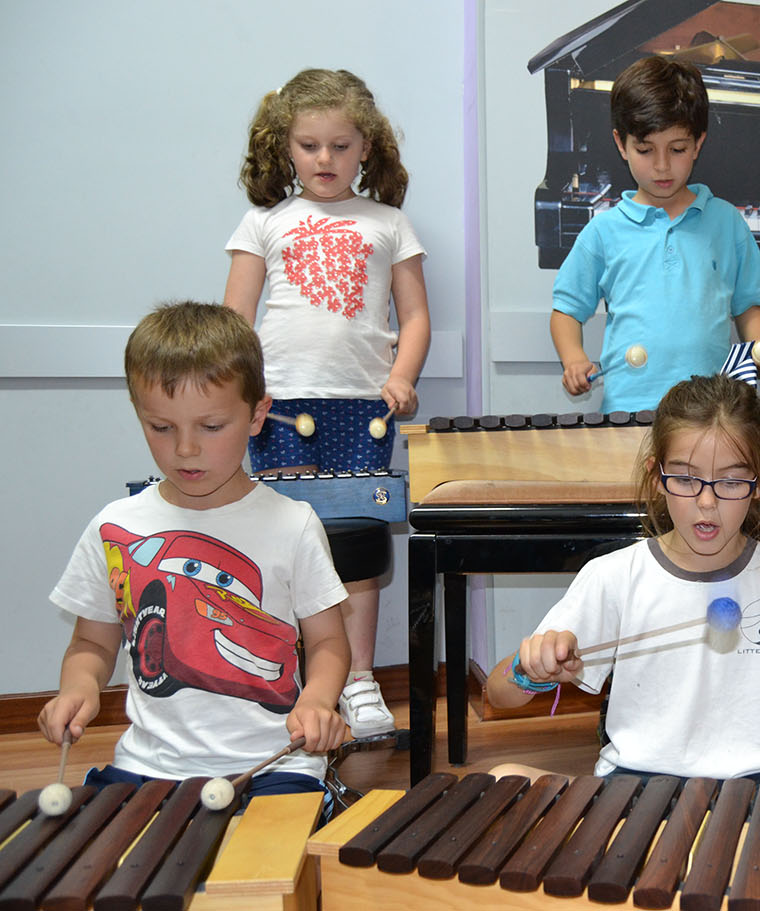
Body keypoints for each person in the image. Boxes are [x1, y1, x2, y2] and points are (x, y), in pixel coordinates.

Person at [485, 374, 760, 781]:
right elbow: (498, 693)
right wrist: (531, 671)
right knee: (504, 775)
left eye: (731, 482)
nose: (706, 502)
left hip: (756, 784)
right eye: (685, 479)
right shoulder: (614, 577)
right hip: (635, 781)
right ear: (656, 477)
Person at [39, 302, 350, 806]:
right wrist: (79, 688)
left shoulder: (293, 525)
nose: (185, 449)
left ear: (256, 415)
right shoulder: (116, 527)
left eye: (210, 427)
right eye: (161, 428)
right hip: (146, 767)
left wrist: (317, 700)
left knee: (263, 877)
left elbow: (328, 642)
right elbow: (92, 646)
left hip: (273, 766)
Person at [224, 68, 430, 737]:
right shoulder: (263, 223)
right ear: (286, 146)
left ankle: (361, 677)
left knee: (358, 549)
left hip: (361, 408)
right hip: (280, 407)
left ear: (366, 147)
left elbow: (416, 316)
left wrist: (401, 374)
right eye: (310, 145)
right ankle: (299, 679)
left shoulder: (389, 222)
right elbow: (235, 321)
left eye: (340, 146)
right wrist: (244, 393)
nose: (325, 159)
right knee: (287, 545)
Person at [550, 55, 760, 413]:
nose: (662, 166)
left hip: (713, 410)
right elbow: (566, 310)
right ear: (621, 143)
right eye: (645, 150)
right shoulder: (603, 231)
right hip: (631, 408)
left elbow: (749, 306)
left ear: (698, 143)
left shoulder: (726, 222)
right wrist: (573, 358)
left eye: (677, 150)